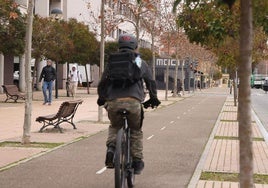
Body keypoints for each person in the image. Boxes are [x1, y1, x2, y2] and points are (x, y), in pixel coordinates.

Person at [97, 33, 160, 175]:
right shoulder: (138, 61)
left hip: (113, 102)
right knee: (136, 130)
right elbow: (150, 81)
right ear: (135, 46)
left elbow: (103, 82)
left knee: (114, 126)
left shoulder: (112, 61)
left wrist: (102, 98)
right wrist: (153, 98)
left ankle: (111, 149)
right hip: (133, 101)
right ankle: (137, 161)